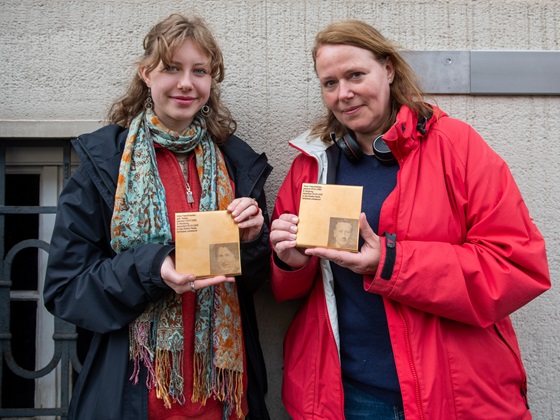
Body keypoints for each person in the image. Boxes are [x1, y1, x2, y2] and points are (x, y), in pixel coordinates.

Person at [269, 19, 550, 420]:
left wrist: (391, 262)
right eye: (329, 83)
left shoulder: (456, 146)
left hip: (453, 393)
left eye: (355, 75)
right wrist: (290, 263)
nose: (343, 93)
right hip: (346, 396)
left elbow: (518, 266)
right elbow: (289, 291)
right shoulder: (312, 164)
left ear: (388, 69)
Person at [44, 13, 272, 420]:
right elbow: (65, 290)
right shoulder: (106, 165)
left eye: (199, 71)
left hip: (223, 400)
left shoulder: (236, 164)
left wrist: (253, 241)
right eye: (172, 68)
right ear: (146, 74)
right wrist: (152, 270)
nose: (186, 83)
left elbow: (251, 285)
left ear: (210, 80)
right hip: (132, 397)